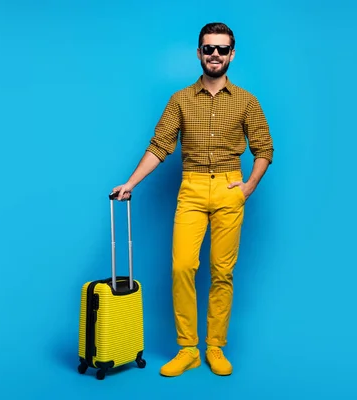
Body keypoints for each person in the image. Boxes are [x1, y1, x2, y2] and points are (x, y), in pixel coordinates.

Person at [111, 22, 274, 377]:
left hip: (230, 187)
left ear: (232, 54)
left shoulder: (247, 101)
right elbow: (159, 146)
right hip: (192, 188)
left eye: (221, 49)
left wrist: (248, 186)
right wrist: (131, 183)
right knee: (182, 266)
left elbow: (264, 148)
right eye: (208, 48)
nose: (214, 54)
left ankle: (215, 346)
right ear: (199, 53)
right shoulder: (180, 100)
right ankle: (188, 349)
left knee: (222, 271)